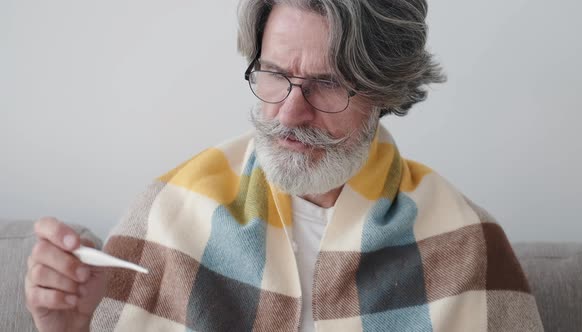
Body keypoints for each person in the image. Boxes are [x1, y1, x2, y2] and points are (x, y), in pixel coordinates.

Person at [25, 0, 544, 331]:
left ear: (385, 93)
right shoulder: (168, 212)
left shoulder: (467, 243)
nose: (290, 113)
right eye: (273, 74)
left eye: (327, 83)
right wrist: (67, 329)